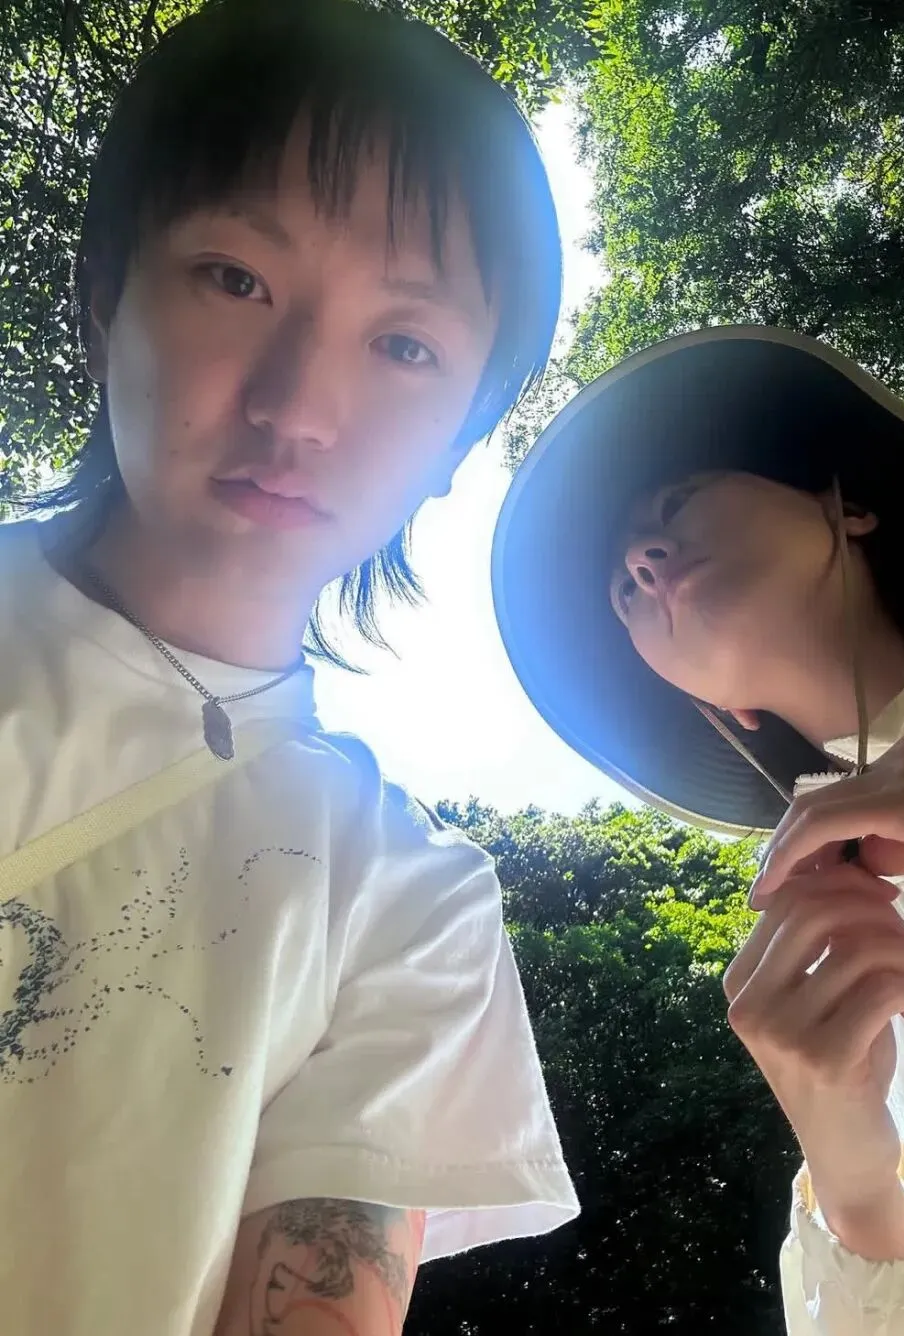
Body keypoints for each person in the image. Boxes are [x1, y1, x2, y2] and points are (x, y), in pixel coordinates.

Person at [0, 1, 579, 1332]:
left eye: (405, 345)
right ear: (103, 294)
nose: (298, 407)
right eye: (236, 279)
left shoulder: (408, 904)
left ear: (458, 443)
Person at [491, 324, 904, 1335]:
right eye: (623, 590)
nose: (641, 558)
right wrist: (854, 1181)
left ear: (846, 507)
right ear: (720, 708)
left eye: (675, 504)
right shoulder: (837, 974)